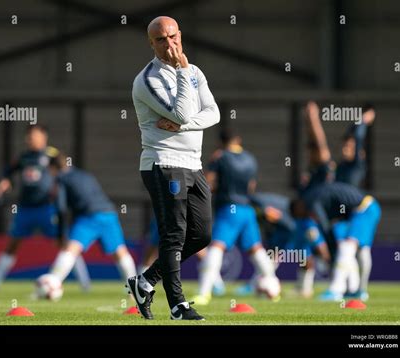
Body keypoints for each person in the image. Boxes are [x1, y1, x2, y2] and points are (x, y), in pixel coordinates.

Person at [128, 16, 220, 320]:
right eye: (161, 40)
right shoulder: (148, 80)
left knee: (203, 235)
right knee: (174, 234)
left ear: (180, 35)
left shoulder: (195, 71)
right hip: (163, 162)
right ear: (150, 43)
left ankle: (144, 281)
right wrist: (181, 71)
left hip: (193, 164)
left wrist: (184, 126)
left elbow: (213, 113)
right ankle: (178, 305)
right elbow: (180, 110)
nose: (169, 44)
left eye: (173, 36)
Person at [0, 125, 90, 290]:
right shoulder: (23, 157)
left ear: (43, 137)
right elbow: (8, 171)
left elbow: (66, 170)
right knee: (13, 243)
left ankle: (84, 283)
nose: (31, 140)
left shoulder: (52, 154)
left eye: (34, 136)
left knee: (64, 244)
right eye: (28, 137)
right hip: (25, 209)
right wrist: (4, 182)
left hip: (47, 208)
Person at [193, 130, 279, 305]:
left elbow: (208, 182)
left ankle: (204, 293)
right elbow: (251, 187)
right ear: (238, 141)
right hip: (247, 210)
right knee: (256, 250)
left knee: (216, 247)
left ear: (221, 142)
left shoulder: (221, 157)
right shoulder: (251, 159)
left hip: (229, 209)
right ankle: (273, 286)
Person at [45, 154, 136, 289]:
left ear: (53, 168)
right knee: (120, 252)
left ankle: (51, 284)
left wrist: (60, 234)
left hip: (88, 217)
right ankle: (134, 289)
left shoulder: (61, 179)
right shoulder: (85, 174)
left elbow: (61, 208)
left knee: (70, 249)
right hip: (108, 214)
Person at [291, 182, 381, 301]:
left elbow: (326, 228)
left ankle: (336, 290)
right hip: (365, 209)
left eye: (300, 215)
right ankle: (359, 291)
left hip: (363, 209)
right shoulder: (315, 196)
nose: (305, 217)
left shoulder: (311, 201)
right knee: (361, 251)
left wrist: (331, 252)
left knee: (347, 247)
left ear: (299, 205)